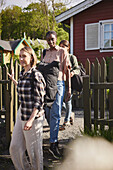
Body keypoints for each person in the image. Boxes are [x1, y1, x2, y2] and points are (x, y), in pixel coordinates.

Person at [8, 46, 46, 170]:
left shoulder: (36, 75)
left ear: (31, 58)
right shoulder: (22, 73)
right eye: (20, 56)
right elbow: (24, 88)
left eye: (24, 56)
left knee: (33, 152)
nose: (21, 59)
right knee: (15, 147)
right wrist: (14, 80)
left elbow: (39, 100)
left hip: (33, 117)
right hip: (22, 113)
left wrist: (30, 120)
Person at [41, 31, 71, 159]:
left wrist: (68, 89)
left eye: (52, 39)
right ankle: (53, 135)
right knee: (46, 112)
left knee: (55, 113)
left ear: (56, 39)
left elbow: (67, 71)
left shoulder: (62, 52)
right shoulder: (45, 52)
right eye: (48, 40)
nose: (50, 42)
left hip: (58, 84)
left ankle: (54, 143)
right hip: (46, 85)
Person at [59, 40, 80, 130]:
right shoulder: (58, 57)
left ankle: (66, 121)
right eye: (60, 46)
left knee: (68, 102)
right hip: (60, 82)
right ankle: (70, 113)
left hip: (69, 83)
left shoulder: (72, 57)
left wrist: (73, 72)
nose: (62, 47)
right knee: (59, 102)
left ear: (68, 47)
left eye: (64, 46)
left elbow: (77, 69)